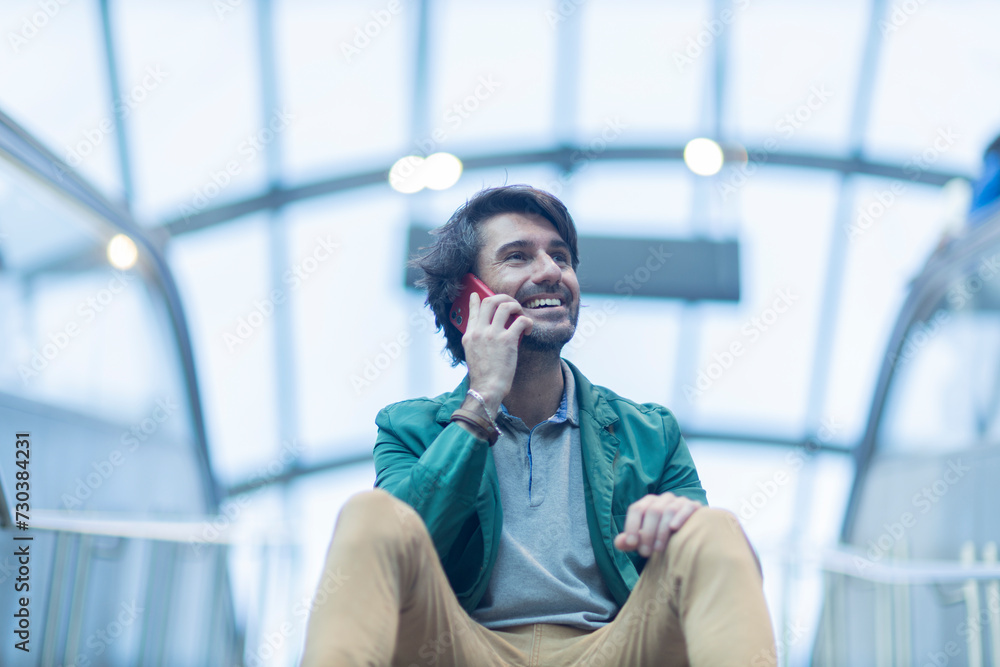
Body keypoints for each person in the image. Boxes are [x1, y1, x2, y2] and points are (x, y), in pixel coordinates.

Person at [300, 185, 776, 666]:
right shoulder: (408, 427)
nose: (551, 272)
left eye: (561, 257)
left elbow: (723, 572)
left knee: (712, 527)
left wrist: (678, 523)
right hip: (461, 648)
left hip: (613, 650)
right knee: (371, 513)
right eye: (518, 257)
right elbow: (409, 540)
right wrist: (480, 404)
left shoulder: (651, 432)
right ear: (467, 300)